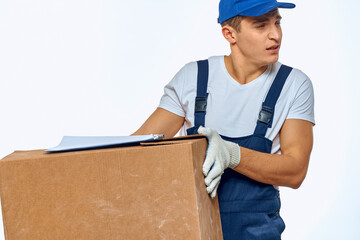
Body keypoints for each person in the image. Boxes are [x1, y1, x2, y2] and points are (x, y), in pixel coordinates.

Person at [133, 0, 315, 239]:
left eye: (277, 22)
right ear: (230, 34)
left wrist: (232, 154)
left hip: (258, 232)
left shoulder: (293, 84)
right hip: (191, 229)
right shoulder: (194, 78)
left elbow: (295, 171)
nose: (276, 35)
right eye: (261, 26)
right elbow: (136, 153)